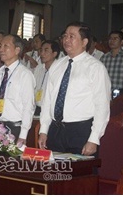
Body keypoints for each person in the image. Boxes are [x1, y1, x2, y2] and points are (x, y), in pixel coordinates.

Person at [38, 21, 111, 156]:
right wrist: (44, 130)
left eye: (72, 36)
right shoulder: (57, 65)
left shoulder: (95, 68)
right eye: (65, 36)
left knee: (80, 176)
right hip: (56, 130)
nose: (66, 40)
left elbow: (102, 106)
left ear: (84, 42)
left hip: (80, 131)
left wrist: (94, 139)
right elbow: (47, 100)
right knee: (54, 175)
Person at [0, 34, 36, 145]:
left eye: (5, 46)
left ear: (17, 50)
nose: (1, 49)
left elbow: (28, 107)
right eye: (0, 46)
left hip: (14, 128)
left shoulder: (25, 75)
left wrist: (23, 135)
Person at [100, 30, 123, 99]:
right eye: (110, 39)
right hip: (105, 91)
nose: (112, 41)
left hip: (121, 91)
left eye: (115, 39)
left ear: (122, 41)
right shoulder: (104, 57)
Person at [33, 40, 59, 116]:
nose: (42, 53)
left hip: (50, 109)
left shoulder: (59, 70)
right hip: (37, 107)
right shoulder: (39, 68)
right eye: (41, 50)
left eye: (46, 51)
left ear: (54, 54)